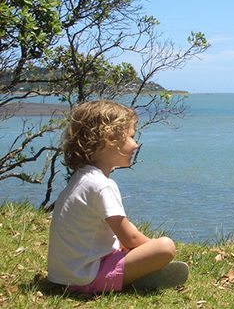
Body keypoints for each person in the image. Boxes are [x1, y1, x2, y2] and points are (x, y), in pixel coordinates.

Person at [48, 100, 188, 293]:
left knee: (128, 227)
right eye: (131, 137)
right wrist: (152, 250)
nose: (136, 144)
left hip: (64, 276)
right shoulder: (102, 185)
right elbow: (129, 238)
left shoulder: (82, 178)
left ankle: (135, 269)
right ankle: (142, 273)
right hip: (86, 277)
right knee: (165, 246)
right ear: (110, 138)